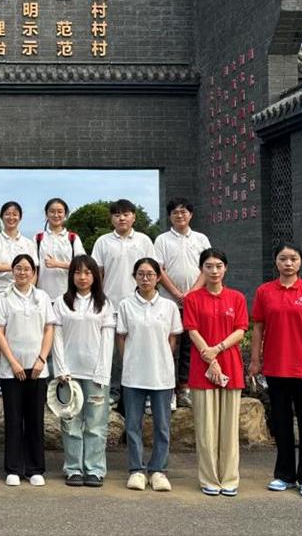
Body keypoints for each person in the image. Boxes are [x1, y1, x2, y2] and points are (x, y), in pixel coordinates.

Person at [250, 243, 302, 499]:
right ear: (275, 262)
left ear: (300, 262)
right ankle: (284, 475)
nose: (288, 263)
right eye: (283, 258)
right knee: (281, 423)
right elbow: (258, 327)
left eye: (293, 259)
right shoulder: (265, 291)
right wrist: (255, 359)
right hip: (276, 366)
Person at [182, 248, 249, 496]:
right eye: (208, 266)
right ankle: (209, 478)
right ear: (201, 269)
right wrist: (208, 355)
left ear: (225, 268)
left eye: (218, 266)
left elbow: (241, 330)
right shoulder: (193, 299)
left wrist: (217, 349)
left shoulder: (236, 298)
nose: (214, 271)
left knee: (229, 429)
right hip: (202, 369)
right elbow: (192, 330)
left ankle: (229, 478)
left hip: (230, 366)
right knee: (206, 428)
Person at [116, 257, 182, 492]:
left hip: (161, 375)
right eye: (141, 274)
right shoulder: (126, 305)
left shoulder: (168, 306)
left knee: (162, 425)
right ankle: (136, 469)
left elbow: (172, 338)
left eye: (150, 274)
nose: (145, 279)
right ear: (134, 277)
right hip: (134, 374)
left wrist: (161, 358)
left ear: (158, 278)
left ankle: (158, 470)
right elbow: (121, 337)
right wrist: (129, 360)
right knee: (133, 425)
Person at [0, 254, 57, 487]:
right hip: (12, 369)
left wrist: (42, 359)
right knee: (13, 419)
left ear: (34, 273)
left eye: (27, 269)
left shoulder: (42, 297)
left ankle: (34, 468)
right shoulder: (4, 298)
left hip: (37, 368)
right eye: (18, 268)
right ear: (12, 271)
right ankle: (13, 468)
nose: (22, 272)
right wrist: (13, 362)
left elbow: (49, 329)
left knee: (35, 419)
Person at [51, 255, 115, 488]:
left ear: (95, 276)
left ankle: (94, 469)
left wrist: (102, 372)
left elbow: (107, 341)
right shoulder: (62, 302)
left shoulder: (104, 304)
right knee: (70, 423)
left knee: (96, 424)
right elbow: (57, 338)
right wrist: (61, 369)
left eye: (88, 272)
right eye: (78, 272)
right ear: (71, 276)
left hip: (95, 374)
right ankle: (73, 469)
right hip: (69, 374)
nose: (83, 277)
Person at [90, 199, 156, 404]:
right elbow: (97, 273)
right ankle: (114, 391)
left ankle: (143, 392)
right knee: (111, 352)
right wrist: (97, 300)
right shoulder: (103, 242)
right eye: (117, 215)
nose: (121, 218)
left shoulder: (144, 240)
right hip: (110, 304)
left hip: (138, 303)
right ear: (111, 218)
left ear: (134, 217)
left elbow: (153, 271)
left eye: (126, 214)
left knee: (140, 347)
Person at [0, 201, 38, 413]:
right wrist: (16, 268)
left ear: (20, 217)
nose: (11, 217)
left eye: (15, 214)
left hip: (22, 297)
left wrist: (30, 290)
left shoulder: (28, 243)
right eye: (7, 214)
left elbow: (33, 270)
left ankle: (13, 385)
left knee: (17, 341)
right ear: (2, 216)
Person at [154, 197, 210, 409]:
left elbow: (208, 266)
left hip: (195, 303)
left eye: (184, 211)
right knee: (169, 346)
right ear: (170, 216)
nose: (180, 215)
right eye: (175, 212)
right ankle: (167, 388)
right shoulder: (162, 240)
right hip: (169, 303)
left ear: (191, 214)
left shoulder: (201, 238)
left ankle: (184, 388)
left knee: (189, 346)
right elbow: (159, 270)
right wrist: (178, 294)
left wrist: (191, 294)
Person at [35, 197, 86, 300]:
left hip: (68, 295)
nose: (56, 215)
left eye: (60, 212)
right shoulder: (38, 238)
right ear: (46, 214)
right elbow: (32, 267)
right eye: (52, 211)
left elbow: (82, 265)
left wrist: (57, 264)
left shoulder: (72, 238)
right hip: (42, 296)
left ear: (65, 215)